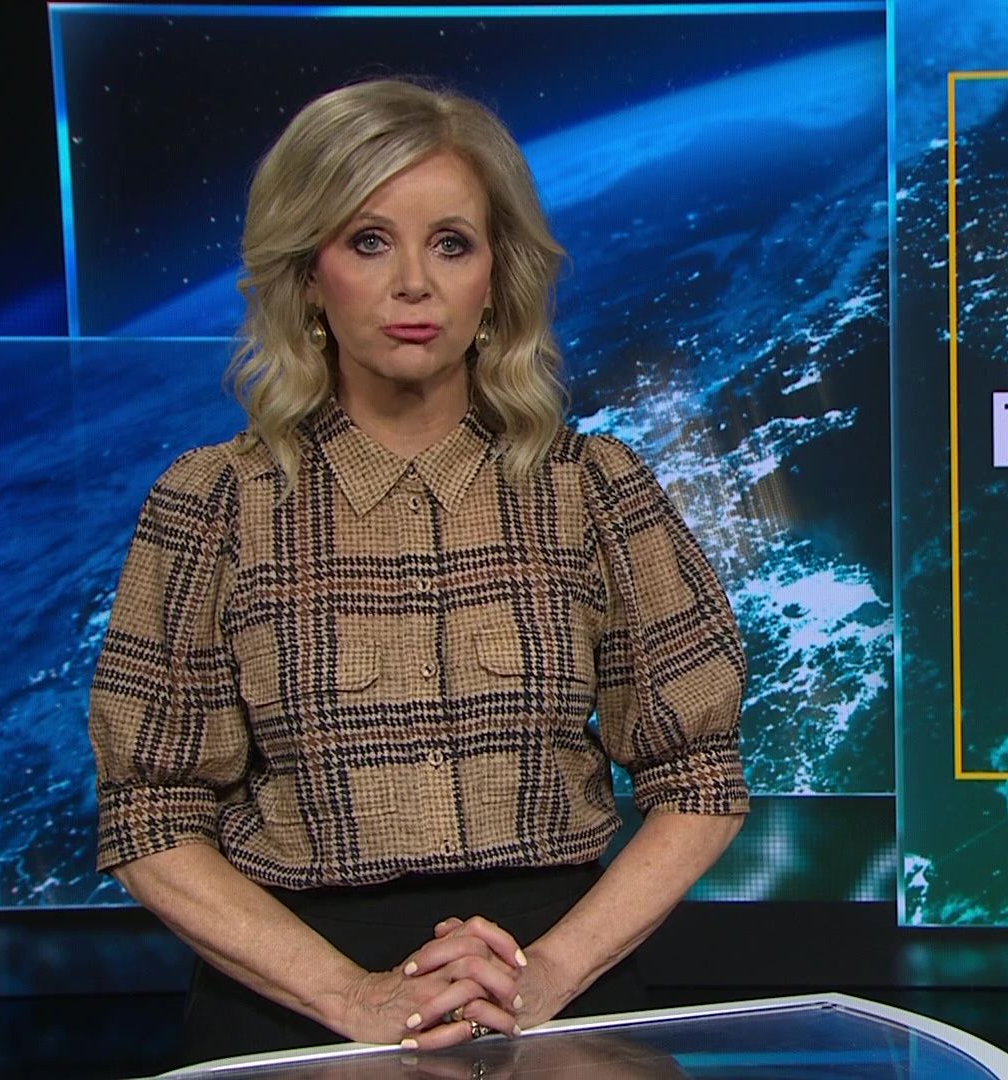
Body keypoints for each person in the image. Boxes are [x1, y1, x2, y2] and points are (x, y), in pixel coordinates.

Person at [86, 77, 750, 1067]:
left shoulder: (594, 488)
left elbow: (698, 774)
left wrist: (546, 975)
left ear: (496, 276)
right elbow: (150, 811)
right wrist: (351, 996)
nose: (413, 284)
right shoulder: (213, 503)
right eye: (367, 241)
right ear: (308, 275)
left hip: (557, 997)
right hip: (294, 1005)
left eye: (451, 243)